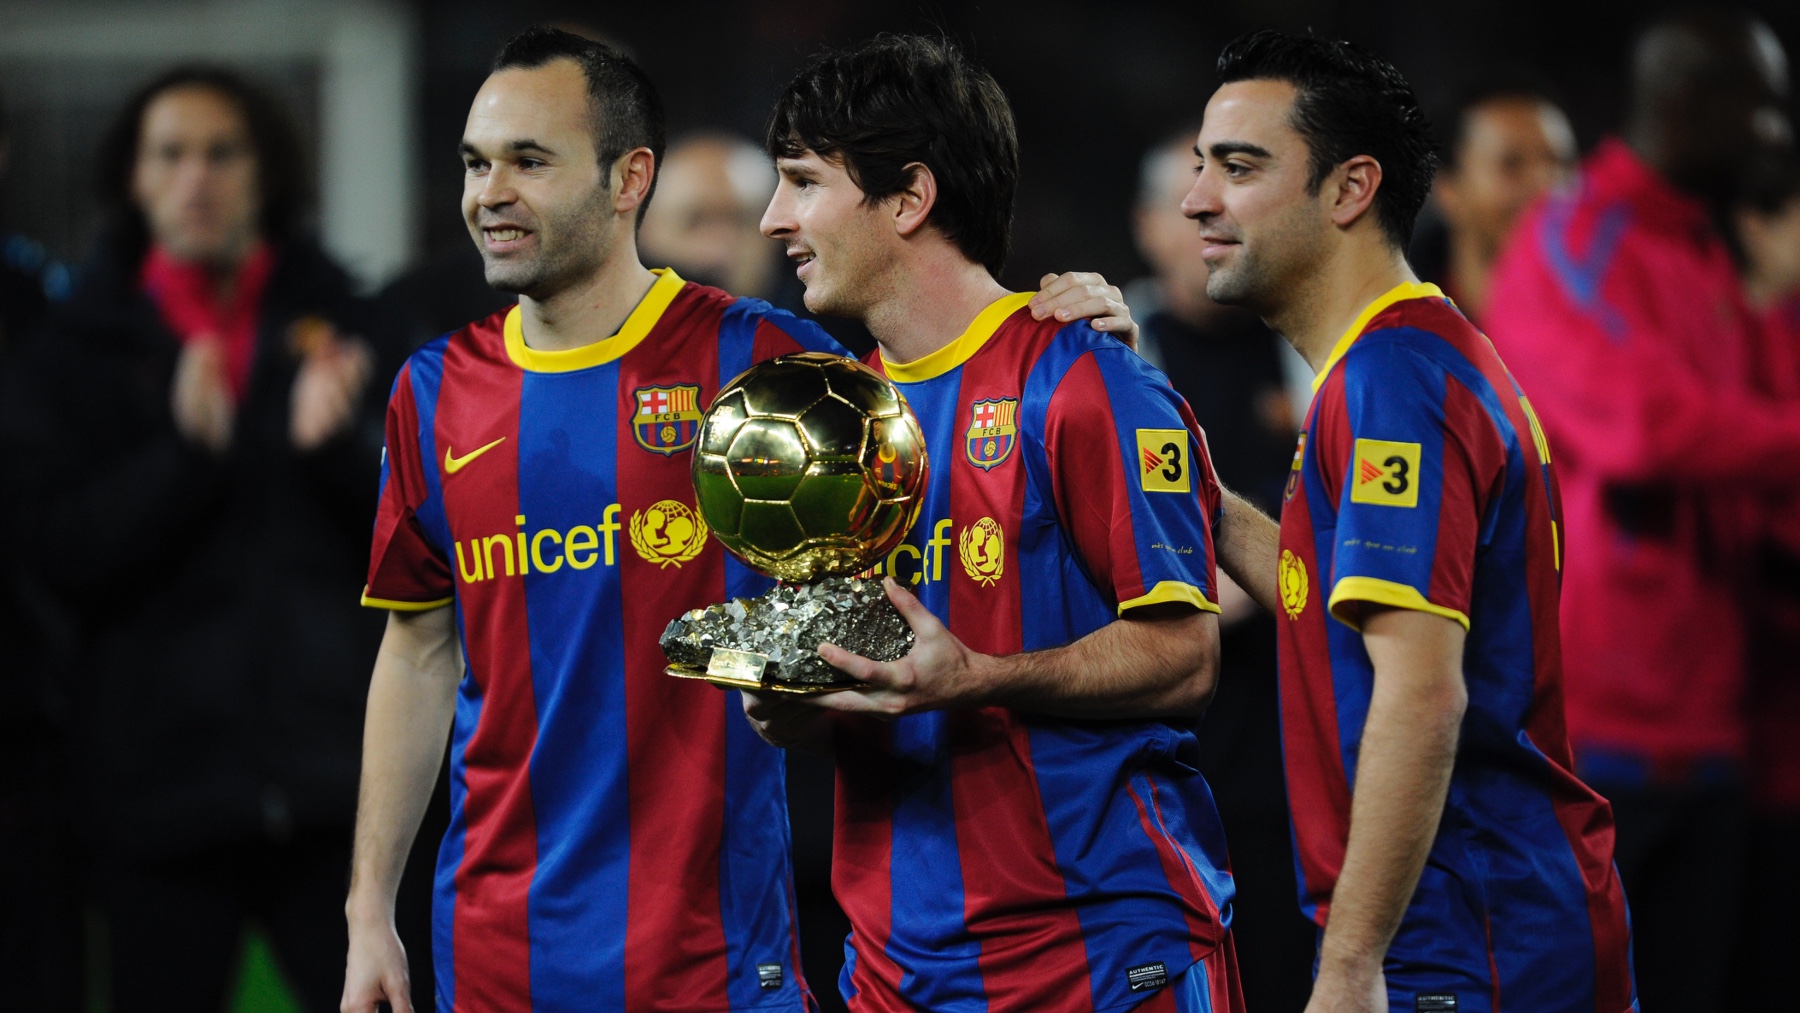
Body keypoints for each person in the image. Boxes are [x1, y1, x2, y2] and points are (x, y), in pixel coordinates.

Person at [340, 26, 1130, 1013]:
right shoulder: (432, 391)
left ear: (628, 178)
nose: (487, 191)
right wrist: (370, 908)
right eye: (474, 162)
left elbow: (979, 470)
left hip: (717, 951)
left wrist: (1069, 340)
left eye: (528, 161)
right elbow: (418, 649)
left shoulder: (766, 363)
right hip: (496, 954)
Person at [745, 35, 1241, 1013]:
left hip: (1097, 951)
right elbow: (847, 674)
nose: (775, 219)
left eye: (803, 181)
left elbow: (1186, 656)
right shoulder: (829, 425)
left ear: (909, 197)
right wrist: (790, 692)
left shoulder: (1083, 377)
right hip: (896, 967)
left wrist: (978, 678)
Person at [1186, 30, 1635, 1011]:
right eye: (1198, 165)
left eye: (1240, 166)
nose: (1198, 199)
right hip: (1471, 919)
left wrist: (1350, 963)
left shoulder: (1397, 383)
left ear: (1350, 190)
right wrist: (1191, 484)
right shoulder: (1399, 360)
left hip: (1469, 930)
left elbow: (1423, 695)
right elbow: (1319, 590)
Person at [0, 66, 405, 1012]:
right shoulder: (67, 353)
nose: (198, 176)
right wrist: (185, 458)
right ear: (134, 179)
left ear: (266, 172)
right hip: (154, 805)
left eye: (224, 151)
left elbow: (428, 550)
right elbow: (55, 560)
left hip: (336, 795)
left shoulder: (351, 329)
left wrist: (342, 450)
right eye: (171, 153)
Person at [1483, 12, 1798, 1010]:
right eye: (1759, 105)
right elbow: (1644, 428)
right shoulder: (1576, 236)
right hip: (1597, 730)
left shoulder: (1705, 255)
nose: (1776, 130)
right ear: (1687, 102)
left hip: (1717, 727)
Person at [1130, 127, 1316, 1013]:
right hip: (1171, 742)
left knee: (1285, 961)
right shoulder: (1111, 354)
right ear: (1144, 227)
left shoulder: (1302, 349)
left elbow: (1345, 546)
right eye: (1182, 201)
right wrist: (1274, 584)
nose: (1206, 212)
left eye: (1227, 185)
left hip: (1289, 737)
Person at [1414, 73, 1577, 323]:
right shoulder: (1394, 333)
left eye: (1560, 164)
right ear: (1447, 191)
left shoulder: (1616, 319)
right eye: (1512, 165)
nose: (1547, 186)